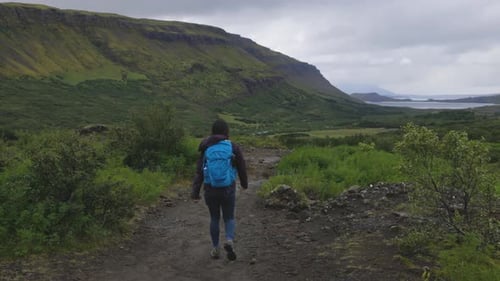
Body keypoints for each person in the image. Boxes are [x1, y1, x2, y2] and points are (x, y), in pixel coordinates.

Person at [191, 119, 248, 260]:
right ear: (226, 131)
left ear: (212, 131)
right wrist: (244, 184)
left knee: (214, 218)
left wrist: (195, 191)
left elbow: (199, 172)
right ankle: (229, 240)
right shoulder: (232, 146)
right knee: (229, 217)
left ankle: (215, 249)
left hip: (211, 189)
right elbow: (241, 166)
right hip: (228, 188)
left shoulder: (206, 147)